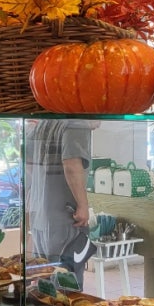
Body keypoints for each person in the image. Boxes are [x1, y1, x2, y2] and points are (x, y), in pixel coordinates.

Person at [25, 119, 98, 288]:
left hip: (41, 216)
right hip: (64, 217)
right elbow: (71, 165)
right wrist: (82, 205)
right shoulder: (77, 124)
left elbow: (28, 162)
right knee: (66, 283)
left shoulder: (43, 124)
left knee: (44, 278)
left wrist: (44, 186)